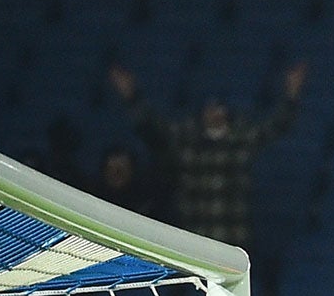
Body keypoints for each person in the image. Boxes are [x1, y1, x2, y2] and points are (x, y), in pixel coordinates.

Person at [108, 61, 305, 248]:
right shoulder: (186, 137)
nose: (214, 113)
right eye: (210, 108)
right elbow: (152, 128)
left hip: (233, 242)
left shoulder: (242, 138)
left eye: (219, 108)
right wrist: (131, 96)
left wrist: (291, 95)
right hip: (195, 243)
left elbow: (278, 125)